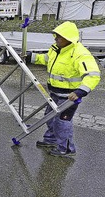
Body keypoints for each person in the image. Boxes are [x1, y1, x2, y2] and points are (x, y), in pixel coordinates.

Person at [27, 21, 100, 157]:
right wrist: (31, 57)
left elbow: (93, 75)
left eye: (59, 37)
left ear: (68, 38)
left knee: (62, 122)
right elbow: (46, 59)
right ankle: (51, 140)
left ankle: (66, 148)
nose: (56, 38)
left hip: (69, 97)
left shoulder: (80, 53)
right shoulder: (56, 49)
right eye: (56, 36)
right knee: (49, 117)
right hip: (54, 93)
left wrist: (80, 91)